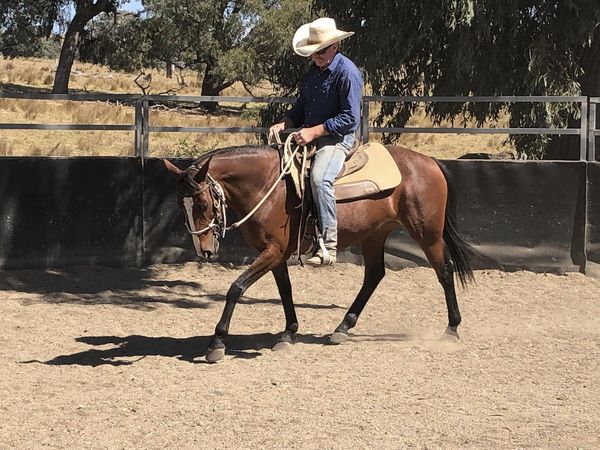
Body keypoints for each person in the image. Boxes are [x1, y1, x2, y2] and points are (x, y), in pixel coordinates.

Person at [269, 17, 364, 266]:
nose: (316, 57)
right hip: (312, 135)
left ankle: (329, 245)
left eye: (321, 51)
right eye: (313, 53)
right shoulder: (314, 73)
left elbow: (351, 118)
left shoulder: (348, 73)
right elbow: (301, 107)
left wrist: (314, 131)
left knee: (320, 178)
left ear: (335, 47)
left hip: (338, 139)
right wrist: (286, 122)